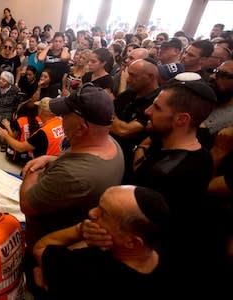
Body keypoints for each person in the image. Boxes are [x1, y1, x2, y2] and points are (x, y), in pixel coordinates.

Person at [19, 84, 124, 297]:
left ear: (82, 128)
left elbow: (27, 205)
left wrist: (32, 170)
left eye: (65, 116)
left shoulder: (74, 174)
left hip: (50, 251)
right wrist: (52, 159)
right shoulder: (109, 143)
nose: (60, 120)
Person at [130, 73, 217, 292]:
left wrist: (140, 149)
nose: (147, 111)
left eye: (157, 108)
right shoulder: (202, 154)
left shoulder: (164, 174)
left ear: (182, 119)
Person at [33, 185, 171, 298]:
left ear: (132, 242)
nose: (92, 213)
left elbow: (40, 248)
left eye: (103, 213)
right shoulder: (156, 249)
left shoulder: (83, 270)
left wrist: (78, 230)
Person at [0, 97, 64, 158]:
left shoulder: (43, 132)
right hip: (58, 159)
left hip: (44, 165)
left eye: (39, 107)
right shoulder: (61, 121)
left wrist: (5, 135)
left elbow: (20, 148)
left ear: (42, 111)